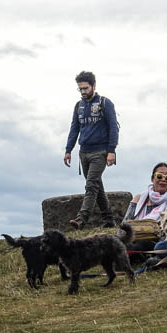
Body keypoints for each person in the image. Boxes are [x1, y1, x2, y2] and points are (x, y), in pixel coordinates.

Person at [64, 71, 119, 229]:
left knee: (91, 184)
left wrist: (111, 150)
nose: (83, 92)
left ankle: (82, 219)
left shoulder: (104, 103)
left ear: (93, 86)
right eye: (80, 89)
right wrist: (68, 150)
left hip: (100, 151)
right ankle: (109, 219)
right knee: (96, 186)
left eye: (85, 88)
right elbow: (74, 129)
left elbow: (113, 128)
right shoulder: (78, 106)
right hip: (84, 152)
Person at [123, 162, 167, 253]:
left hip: (157, 242)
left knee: (142, 245)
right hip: (134, 237)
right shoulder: (139, 198)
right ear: (152, 178)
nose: (163, 179)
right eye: (159, 176)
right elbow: (125, 224)